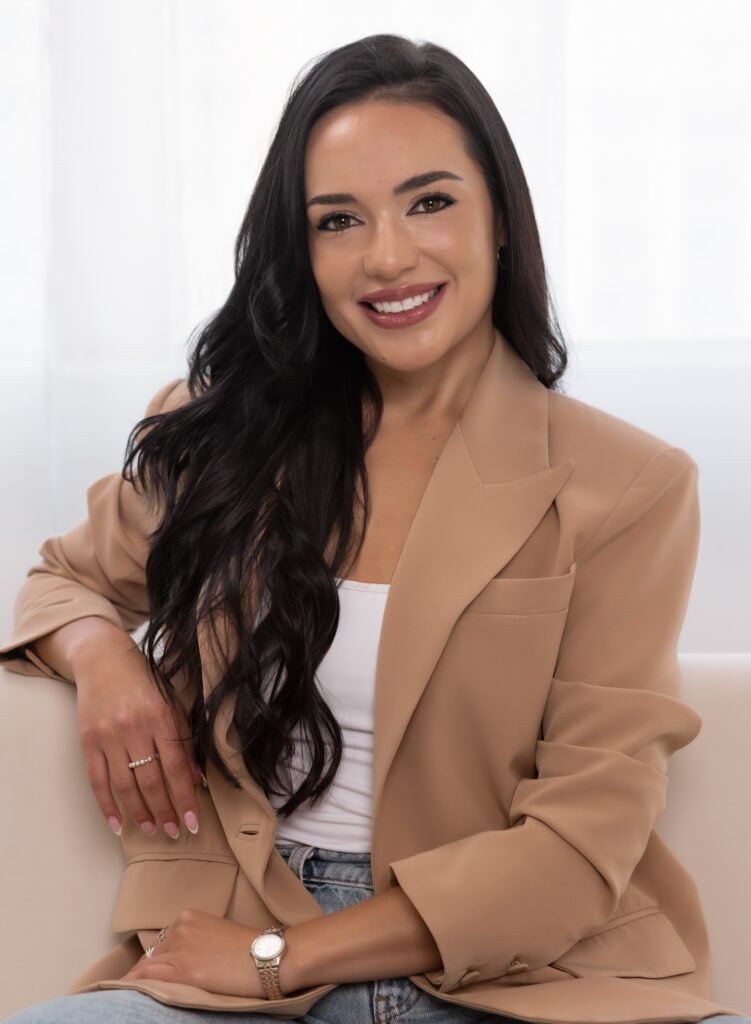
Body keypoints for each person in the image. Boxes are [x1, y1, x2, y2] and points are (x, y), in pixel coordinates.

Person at [1, 31, 748, 1024]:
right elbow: (60, 582)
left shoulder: (630, 485)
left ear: (500, 221)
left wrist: (280, 956)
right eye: (338, 220)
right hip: (228, 950)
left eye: (429, 202)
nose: (387, 256)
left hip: (510, 978)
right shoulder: (219, 435)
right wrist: (105, 660)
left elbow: (580, 844)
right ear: (301, 251)